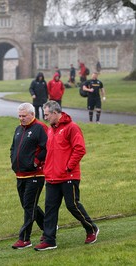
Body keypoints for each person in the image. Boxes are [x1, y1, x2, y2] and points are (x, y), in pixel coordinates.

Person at [34, 100, 99, 251]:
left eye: (47, 114)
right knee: (50, 208)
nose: (45, 117)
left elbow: (80, 149)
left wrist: (69, 167)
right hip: (52, 176)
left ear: (56, 113)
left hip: (69, 176)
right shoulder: (50, 130)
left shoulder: (72, 127)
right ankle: (50, 240)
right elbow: (51, 152)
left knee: (72, 205)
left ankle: (91, 229)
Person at [10, 103, 48, 249]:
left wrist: (36, 161)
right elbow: (13, 147)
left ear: (32, 114)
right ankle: (48, 227)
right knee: (28, 205)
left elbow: (48, 147)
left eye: (24, 116)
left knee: (29, 206)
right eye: (19, 116)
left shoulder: (40, 128)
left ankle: (25, 239)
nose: (21, 119)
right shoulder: (18, 129)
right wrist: (13, 162)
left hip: (35, 174)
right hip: (20, 174)